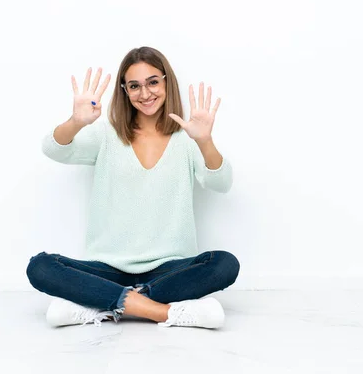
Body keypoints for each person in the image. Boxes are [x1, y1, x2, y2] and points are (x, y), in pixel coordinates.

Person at [26, 46, 239, 329]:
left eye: (153, 82)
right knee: (40, 267)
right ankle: (162, 312)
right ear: (125, 91)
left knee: (225, 264)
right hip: (107, 268)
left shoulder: (187, 139)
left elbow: (221, 183)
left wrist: (204, 141)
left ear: (166, 82)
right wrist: (77, 121)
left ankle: (102, 304)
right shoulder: (106, 135)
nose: (145, 93)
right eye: (134, 86)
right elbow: (54, 149)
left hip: (168, 270)